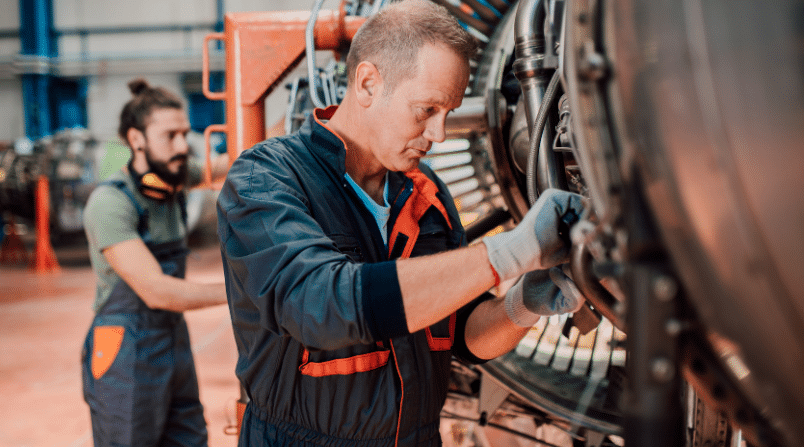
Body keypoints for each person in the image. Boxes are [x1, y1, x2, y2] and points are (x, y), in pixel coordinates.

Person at [217, 1, 588, 445]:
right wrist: (508, 252)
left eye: (448, 113)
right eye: (427, 110)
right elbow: (324, 305)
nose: (440, 134)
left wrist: (521, 307)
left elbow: (462, 335)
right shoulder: (266, 179)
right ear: (368, 83)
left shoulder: (424, 193)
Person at [81, 78, 230, 447]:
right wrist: (242, 290)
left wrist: (309, 113)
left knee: (189, 436)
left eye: (185, 134)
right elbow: (157, 290)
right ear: (137, 140)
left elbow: (235, 159)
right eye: (170, 136)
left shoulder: (173, 178)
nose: (183, 146)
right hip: (125, 347)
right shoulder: (110, 204)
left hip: (172, 338)